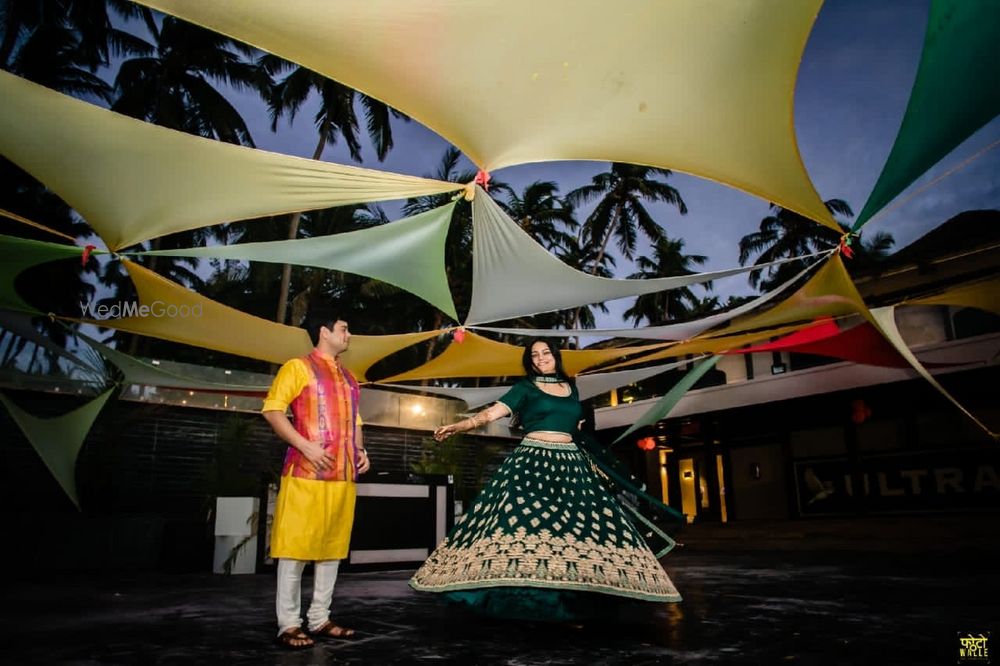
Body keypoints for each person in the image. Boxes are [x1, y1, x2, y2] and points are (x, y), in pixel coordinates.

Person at [409, 338, 681, 621]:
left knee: (577, 527)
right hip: (532, 463)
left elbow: (574, 427)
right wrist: (460, 425)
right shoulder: (525, 387)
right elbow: (492, 412)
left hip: (570, 464)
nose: (540, 358)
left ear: (555, 356)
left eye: (545, 353)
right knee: (522, 523)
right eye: (535, 355)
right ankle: (518, 596)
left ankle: (577, 593)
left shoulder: (571, 388)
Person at [262, 315, 370, 649]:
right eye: (343, 329)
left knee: (331, 550)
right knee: (294, 549)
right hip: (305, 473)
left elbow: (356, 421)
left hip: (342, 475)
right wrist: (304, 444)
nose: (348, 334)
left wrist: (362, 449)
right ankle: (289, 624)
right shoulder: (297, 367)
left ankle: (320, 619)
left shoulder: (350, 378)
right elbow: (273, 410)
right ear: (324, 332)